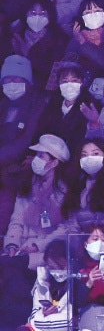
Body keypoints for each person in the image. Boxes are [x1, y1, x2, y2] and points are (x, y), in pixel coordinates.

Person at [0, 135, 70, 324]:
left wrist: (35, 245)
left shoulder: (64, 191)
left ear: (55, 162)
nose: (36, 160)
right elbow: (16, 219)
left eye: (42, 156)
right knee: (8, 267)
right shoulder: (27, 185)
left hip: (46, 252)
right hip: (20, 251)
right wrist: (12, 244)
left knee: (12, 271)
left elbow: (65, 228)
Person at [0, 56, 47, 234]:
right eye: (7, 80)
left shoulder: (37, 104)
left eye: (17, 79)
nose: (11, 84)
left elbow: (26, 139)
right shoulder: (3, 105)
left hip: (18, 172)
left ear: (27, 81)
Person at [11, 0, 69, 89]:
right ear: (25, 13)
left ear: (50, 15)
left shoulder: (59, 38)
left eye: (42, 13)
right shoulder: (17, 34)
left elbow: (54, 72)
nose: (37, 17)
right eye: (33, 12)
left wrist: (27, 55)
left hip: (43, 90)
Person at [59, 139, 104, 232]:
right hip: (83, 242)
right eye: (84, 155)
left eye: (95, 154)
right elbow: (71, 222)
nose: (89, 158)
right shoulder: (76, 186)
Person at [36, 63, 97, 153]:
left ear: (82, 82)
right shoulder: (52, 103)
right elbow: (40, 130)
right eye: (65, 81)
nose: (69, 85)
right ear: (59, 83)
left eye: (74, 80)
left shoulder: (89, 107)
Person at [26, 239, 71, 331]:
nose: (57, 272)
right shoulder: (42, 281)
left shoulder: (78, 284)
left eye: (61, 267)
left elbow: (71, 321)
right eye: (51, 267)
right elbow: (32, 318)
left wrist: (42, 320)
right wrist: (44, 314)